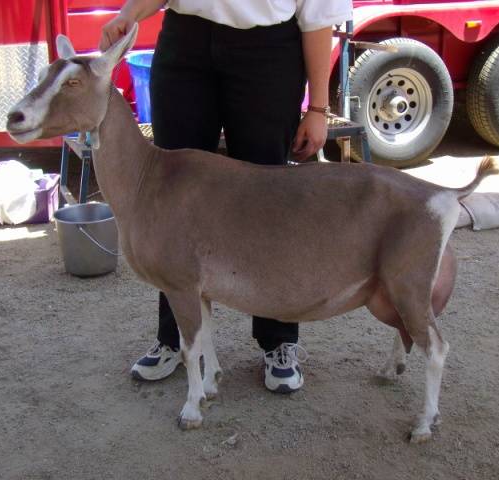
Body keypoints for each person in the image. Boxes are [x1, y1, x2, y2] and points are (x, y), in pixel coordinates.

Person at [101, 0, 352, 393]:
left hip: (268, 53)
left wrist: (318, 107)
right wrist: (128, 14)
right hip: (186, 44)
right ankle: (178, 338)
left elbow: (319, 15)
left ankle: (278, 340)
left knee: (267, 203)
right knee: (172, 201)